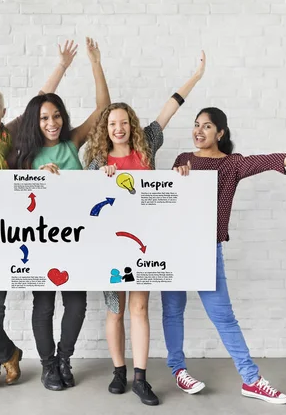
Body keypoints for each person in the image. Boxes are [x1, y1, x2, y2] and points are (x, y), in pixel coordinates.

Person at [162, 107, 286, 405]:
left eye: (207, 126)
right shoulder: (183, 160)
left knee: (224, 318)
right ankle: (179, 370)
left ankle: (251, 380)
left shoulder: (232, 164)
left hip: (206, 249)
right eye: (196, 125)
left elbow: (268, 160)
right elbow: (166, 198)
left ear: (220, 133)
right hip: (175, 247)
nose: (199, 131)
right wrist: (177, 176)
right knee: (172, 311)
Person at [84, 52, 206, 406]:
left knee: (139, 309)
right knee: (115, 310)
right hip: (110, 244)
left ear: (131, 124)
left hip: (145, 243)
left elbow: (170, 107)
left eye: (123, 122)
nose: (118, 128)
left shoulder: (147, 144)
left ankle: (140, 378)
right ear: (105, 129)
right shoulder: (95, 161)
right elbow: (84, 204)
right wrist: (99, 178)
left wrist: (195, 76)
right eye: (112, 124)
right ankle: (119, 372)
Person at [0, 40, 79, 387]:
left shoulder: (11, 136)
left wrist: (62, 67)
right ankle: (10, 352)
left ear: (2, 110)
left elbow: (38, 102)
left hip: (7, 231)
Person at [14, 37, 110, 391]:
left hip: (76, 238)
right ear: (35, 121)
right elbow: (11, 196)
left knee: (77, 305)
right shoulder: (24, 154)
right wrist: (36, 179)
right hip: (40, 240)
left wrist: (94, 63)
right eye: (44, 117)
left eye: (56, 116)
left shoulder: (72, 142)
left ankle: (64, 358)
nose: (51, 122)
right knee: (43, 306)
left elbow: (103, 109)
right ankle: (48, 365)